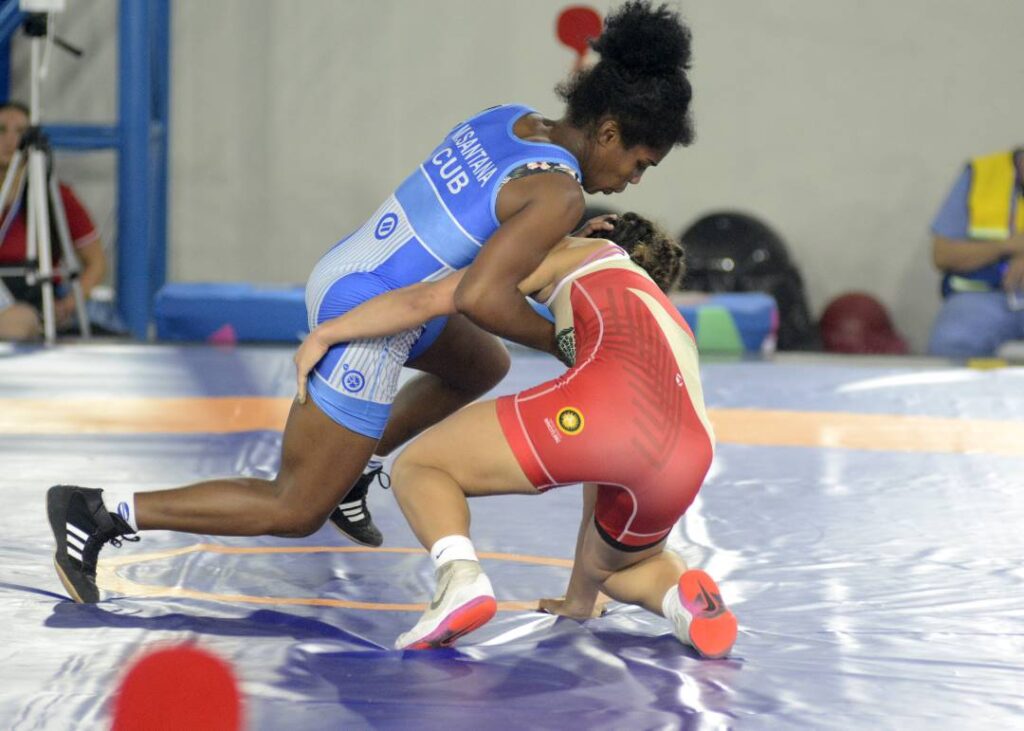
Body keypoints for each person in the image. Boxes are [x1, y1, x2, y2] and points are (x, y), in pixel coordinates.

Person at [46, 1, 698, 604]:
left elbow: (480, 228)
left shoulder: (511, 120)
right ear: (609, 133)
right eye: (640, 163)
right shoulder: (560, 194)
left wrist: (558, 240)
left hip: (357, 268)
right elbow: (480, 294)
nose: (634, 181)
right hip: (375, 314)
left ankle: (356, 471)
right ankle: (99, 510)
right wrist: (569, 345)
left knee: (480, 366)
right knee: (294, 505)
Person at [291, 213, 738, 658]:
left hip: (611, 414)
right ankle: (682, 599)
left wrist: (328, 332)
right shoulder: (660, 314)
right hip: (690, 449)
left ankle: (459, 581)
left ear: (598, 229)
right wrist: (579, 603)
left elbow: (430, 299)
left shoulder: (571, 250)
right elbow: (609, 461)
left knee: (421, 466)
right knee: (621, 568)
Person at [0, 101, 107, 341]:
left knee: (18, 324)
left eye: (20, 133)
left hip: (32, 305)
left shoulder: (56, 196)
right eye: (1, 130)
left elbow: (96, 262)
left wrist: (68, 304)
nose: (9, 140)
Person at [928, 147, 1024, 357]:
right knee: (951, 343)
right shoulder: (982, 173)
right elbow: (943, 255)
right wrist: (1006, 246)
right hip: (985, 296)